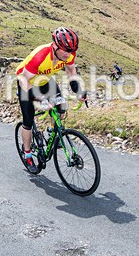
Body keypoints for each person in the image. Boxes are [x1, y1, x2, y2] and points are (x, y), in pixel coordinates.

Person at [16, 27, 87, 173]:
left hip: (44, 81)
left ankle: (51, 133)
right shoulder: (41, 55)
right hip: (26, 83)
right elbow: (24, 79)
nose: (69, 54)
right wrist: (39, 98)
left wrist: (78, 90)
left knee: (61, 107)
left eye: (71, 51)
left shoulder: (69, 54)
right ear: (55, 46)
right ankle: (27, 153)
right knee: (28, 121)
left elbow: (71, 71)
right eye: (65, 50)